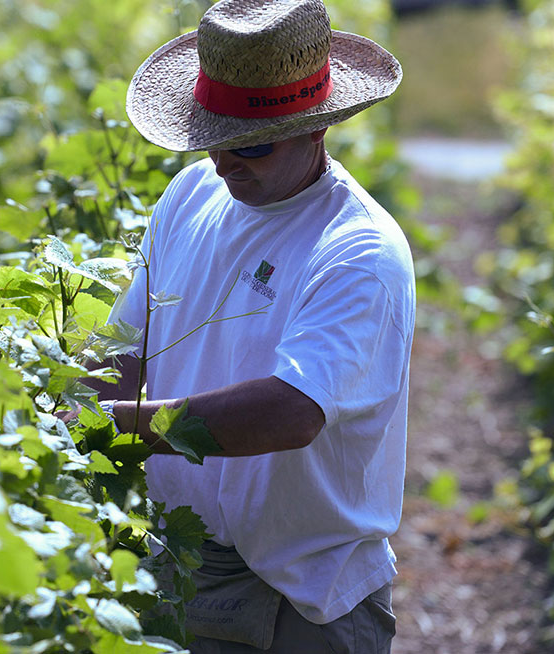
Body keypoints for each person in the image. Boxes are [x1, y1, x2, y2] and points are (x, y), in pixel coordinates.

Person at [90, 1, 415, 651]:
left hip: (303, 598)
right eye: (215, 139)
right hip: (182, 564)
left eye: (252, 144)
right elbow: (123, 349)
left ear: (316, 129)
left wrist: (125, 427)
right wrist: (73, 414)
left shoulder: (358, 251)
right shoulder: (188, 198)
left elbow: (290, 412)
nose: (225, 163)